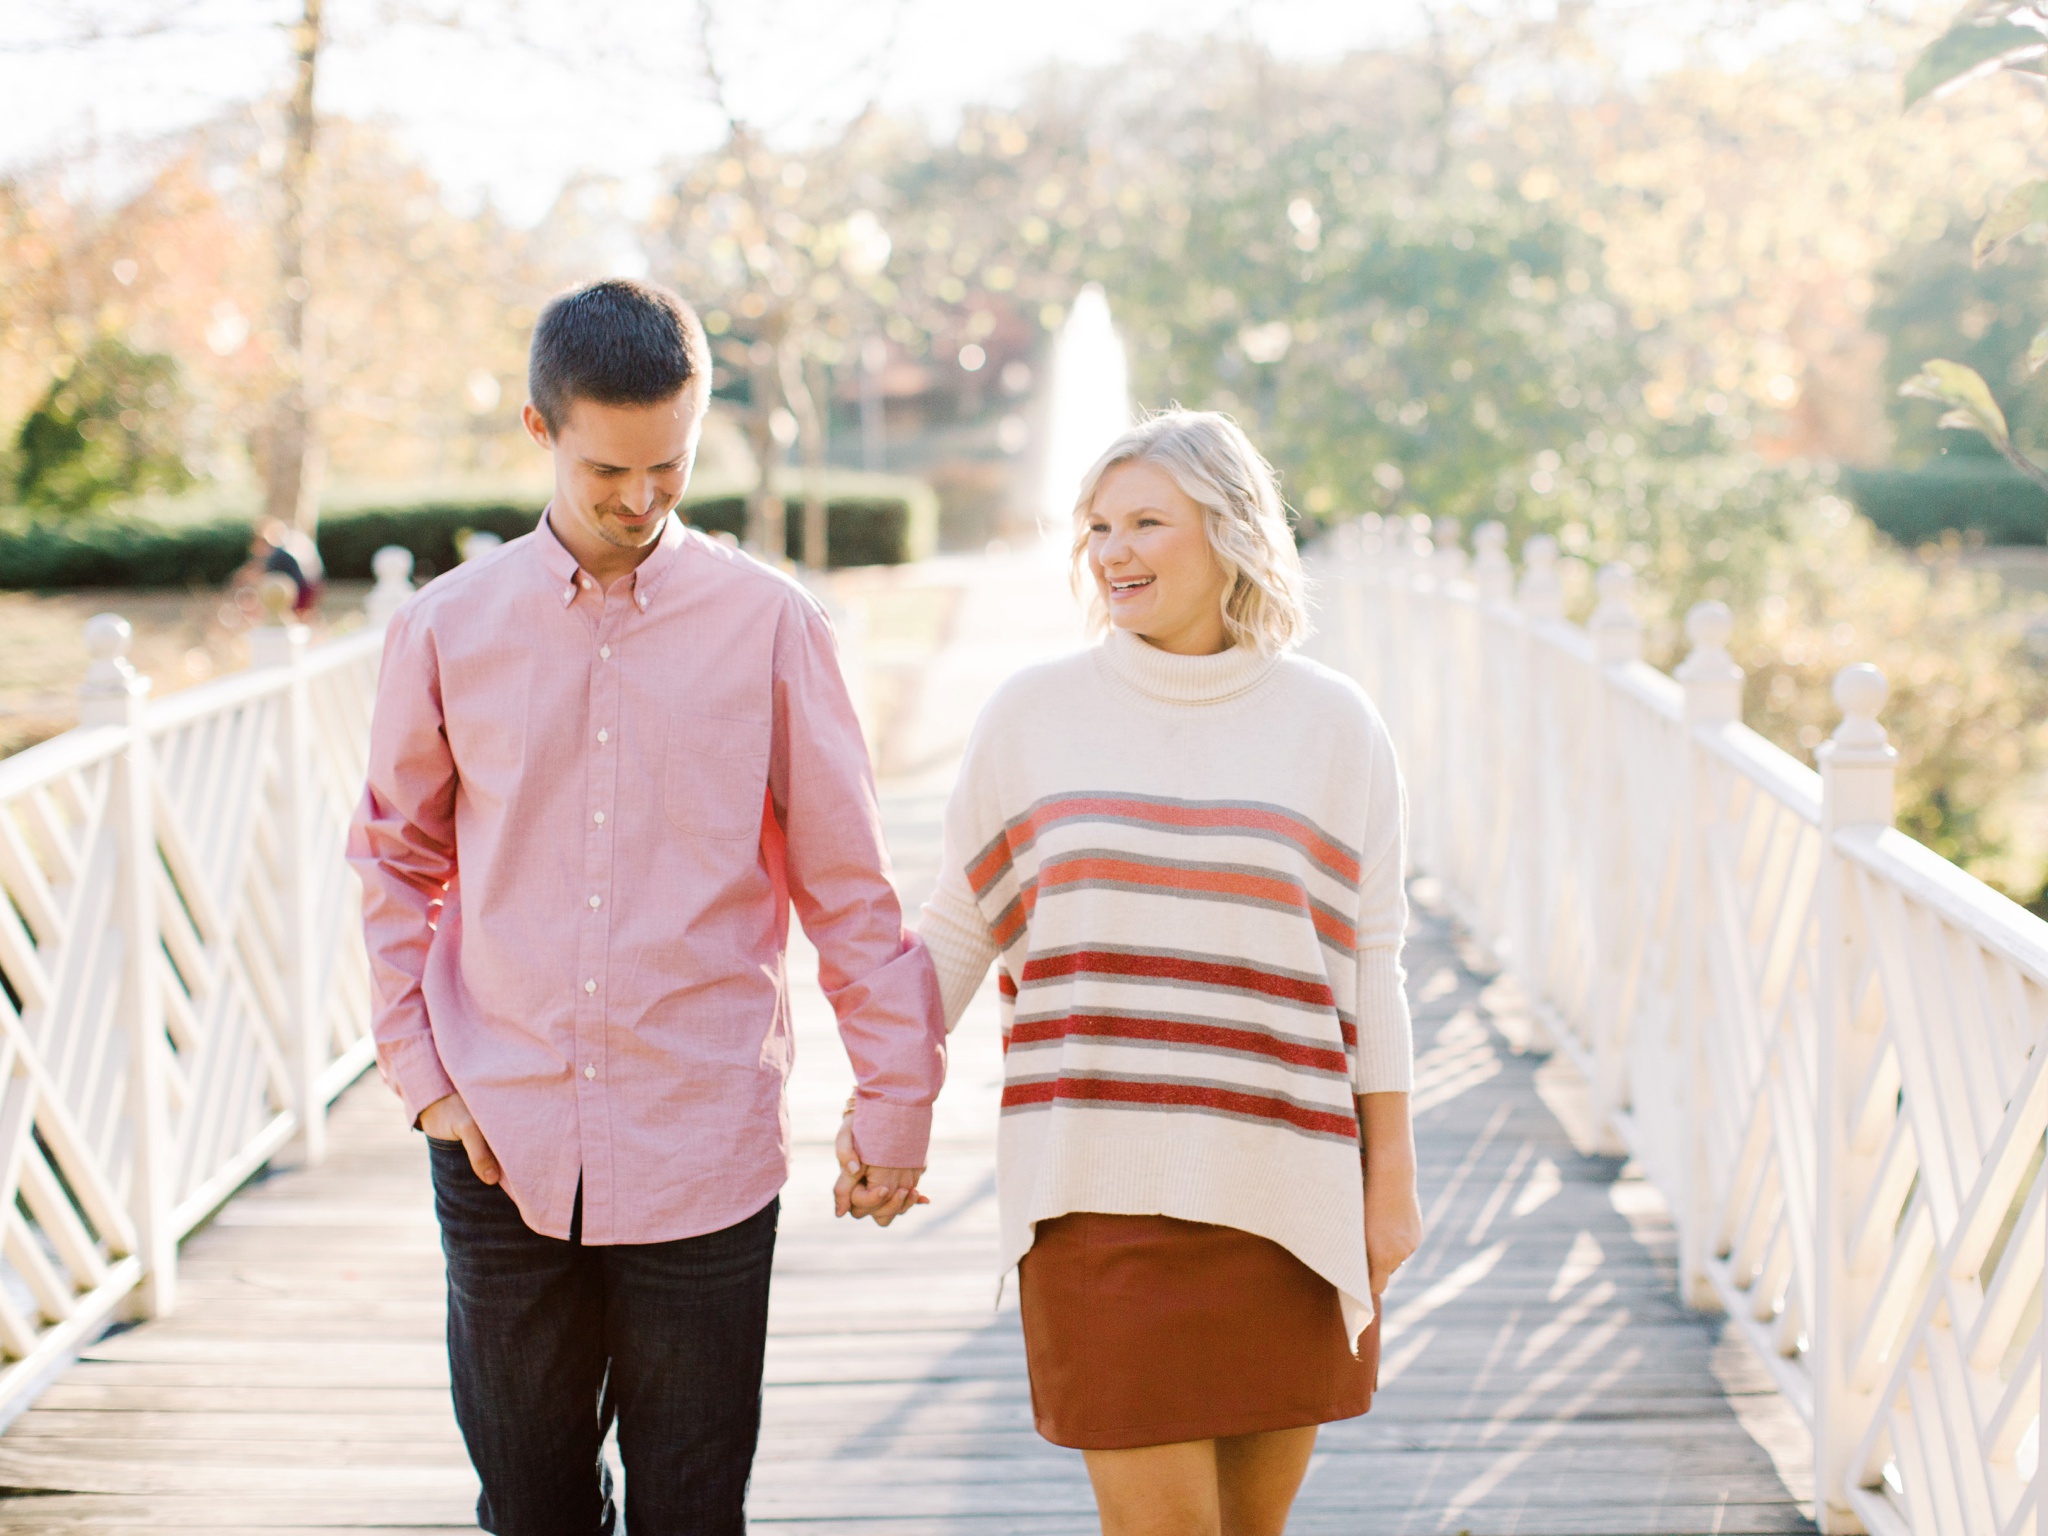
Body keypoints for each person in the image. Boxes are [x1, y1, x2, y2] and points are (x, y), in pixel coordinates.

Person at [346, 277, 945, 1536]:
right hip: (498, 1141)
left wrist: (895, 1094)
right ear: (537, 428)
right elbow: (395, 863)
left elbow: (849, 889)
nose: (637, 500)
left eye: (666, 469)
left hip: (701, 1145)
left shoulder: (774, 628)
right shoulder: (445, 631)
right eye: (606, 469)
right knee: (530, 1508)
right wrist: (423, 1077)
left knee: (691, 1513)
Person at [860, 410, 1423, 1536]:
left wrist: (1389, 1178)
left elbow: (1372, 962)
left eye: (1145, 523)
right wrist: (888, 1105)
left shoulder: (1334, 726)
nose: (1112, 551)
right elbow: (958, 928)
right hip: (1096, 1192)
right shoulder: (1034, 714)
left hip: (1286, 1196)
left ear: (1229, 532)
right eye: (1097, 526)